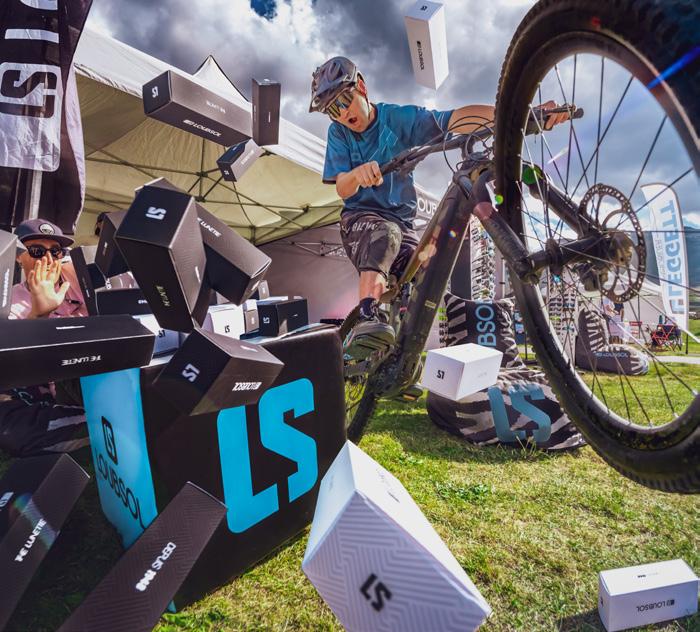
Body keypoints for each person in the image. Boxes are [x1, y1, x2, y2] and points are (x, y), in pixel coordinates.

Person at [309, 56, 570, 358]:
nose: (343, 114)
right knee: (386, 234)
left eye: (344, 101)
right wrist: (356, 175)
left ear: (362, 87)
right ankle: (367, 316)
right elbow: (341, 187)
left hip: (403, 223)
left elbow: (453, 119)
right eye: (333, 111)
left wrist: (518, 119)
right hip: (360, 219)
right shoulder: (339, 134)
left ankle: (401, 355)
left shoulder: (398, 119)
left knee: (425, 269)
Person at [0, 219, 90, 456]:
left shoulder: (79, 276)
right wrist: (39, 316)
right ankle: (93, 425)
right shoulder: (10, 302)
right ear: (19, 257)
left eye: (56, 251)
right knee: (11, 428)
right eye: (37, 251)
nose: (48, 259)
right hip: (60, 380)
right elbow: (15, 363)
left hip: (103, 367)